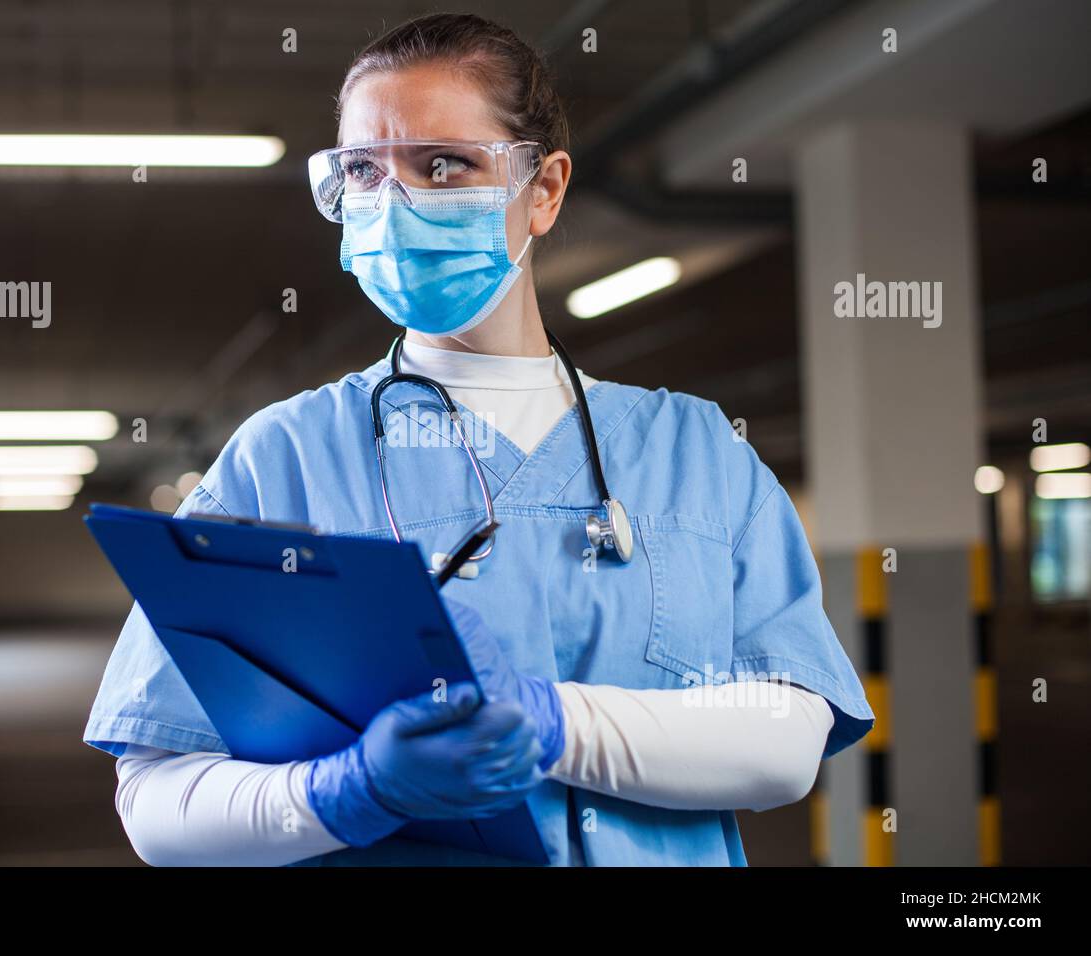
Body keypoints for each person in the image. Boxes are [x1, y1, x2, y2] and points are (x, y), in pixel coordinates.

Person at [83, 12, 873, 867]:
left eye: (444, 164)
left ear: (544, 190)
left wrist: (550, 723)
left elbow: (787, 737)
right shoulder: (283, 458)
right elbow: (157, 800)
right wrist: (350, 792)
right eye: (362, 171)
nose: (396, 203)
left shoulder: (695, 450)